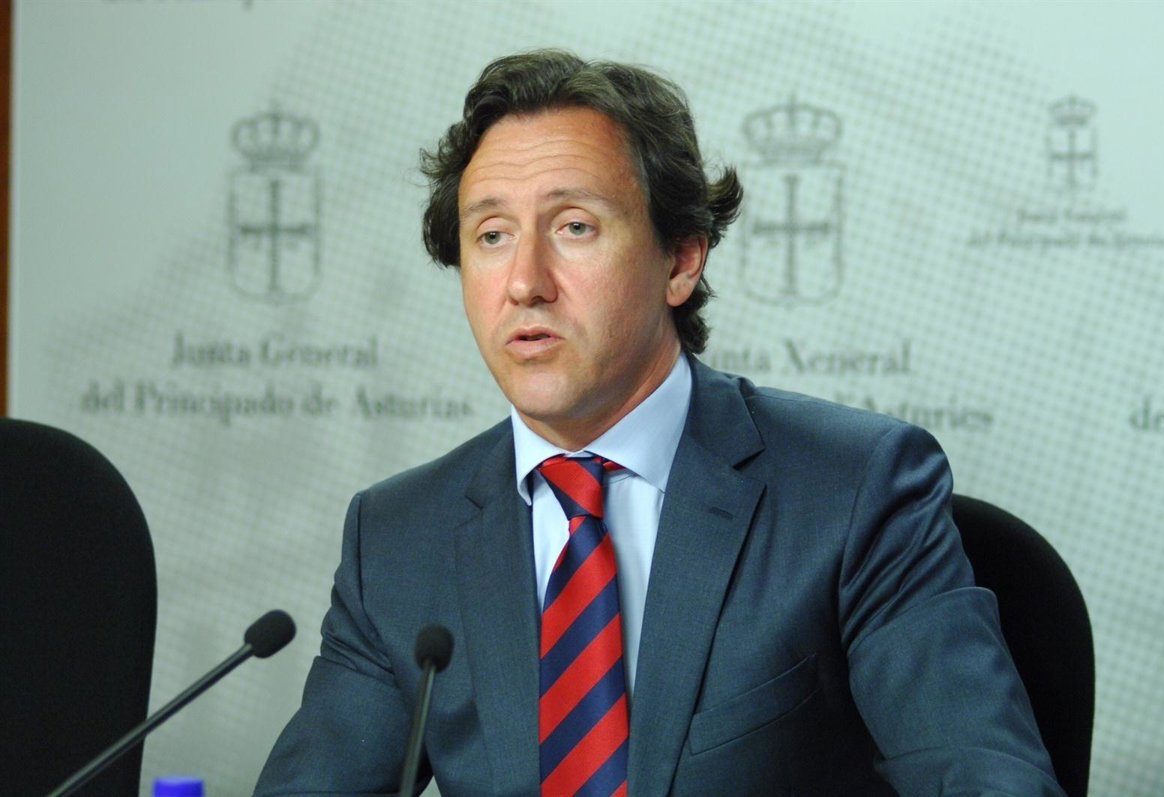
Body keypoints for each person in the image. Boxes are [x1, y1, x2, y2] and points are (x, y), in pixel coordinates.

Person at [255, 50, 1064, 796]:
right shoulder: (398, 540)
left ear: (680, 260)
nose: (525, 281)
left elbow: (988, 781)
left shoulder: (852, 491)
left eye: (574, 226)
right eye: (492, 235)